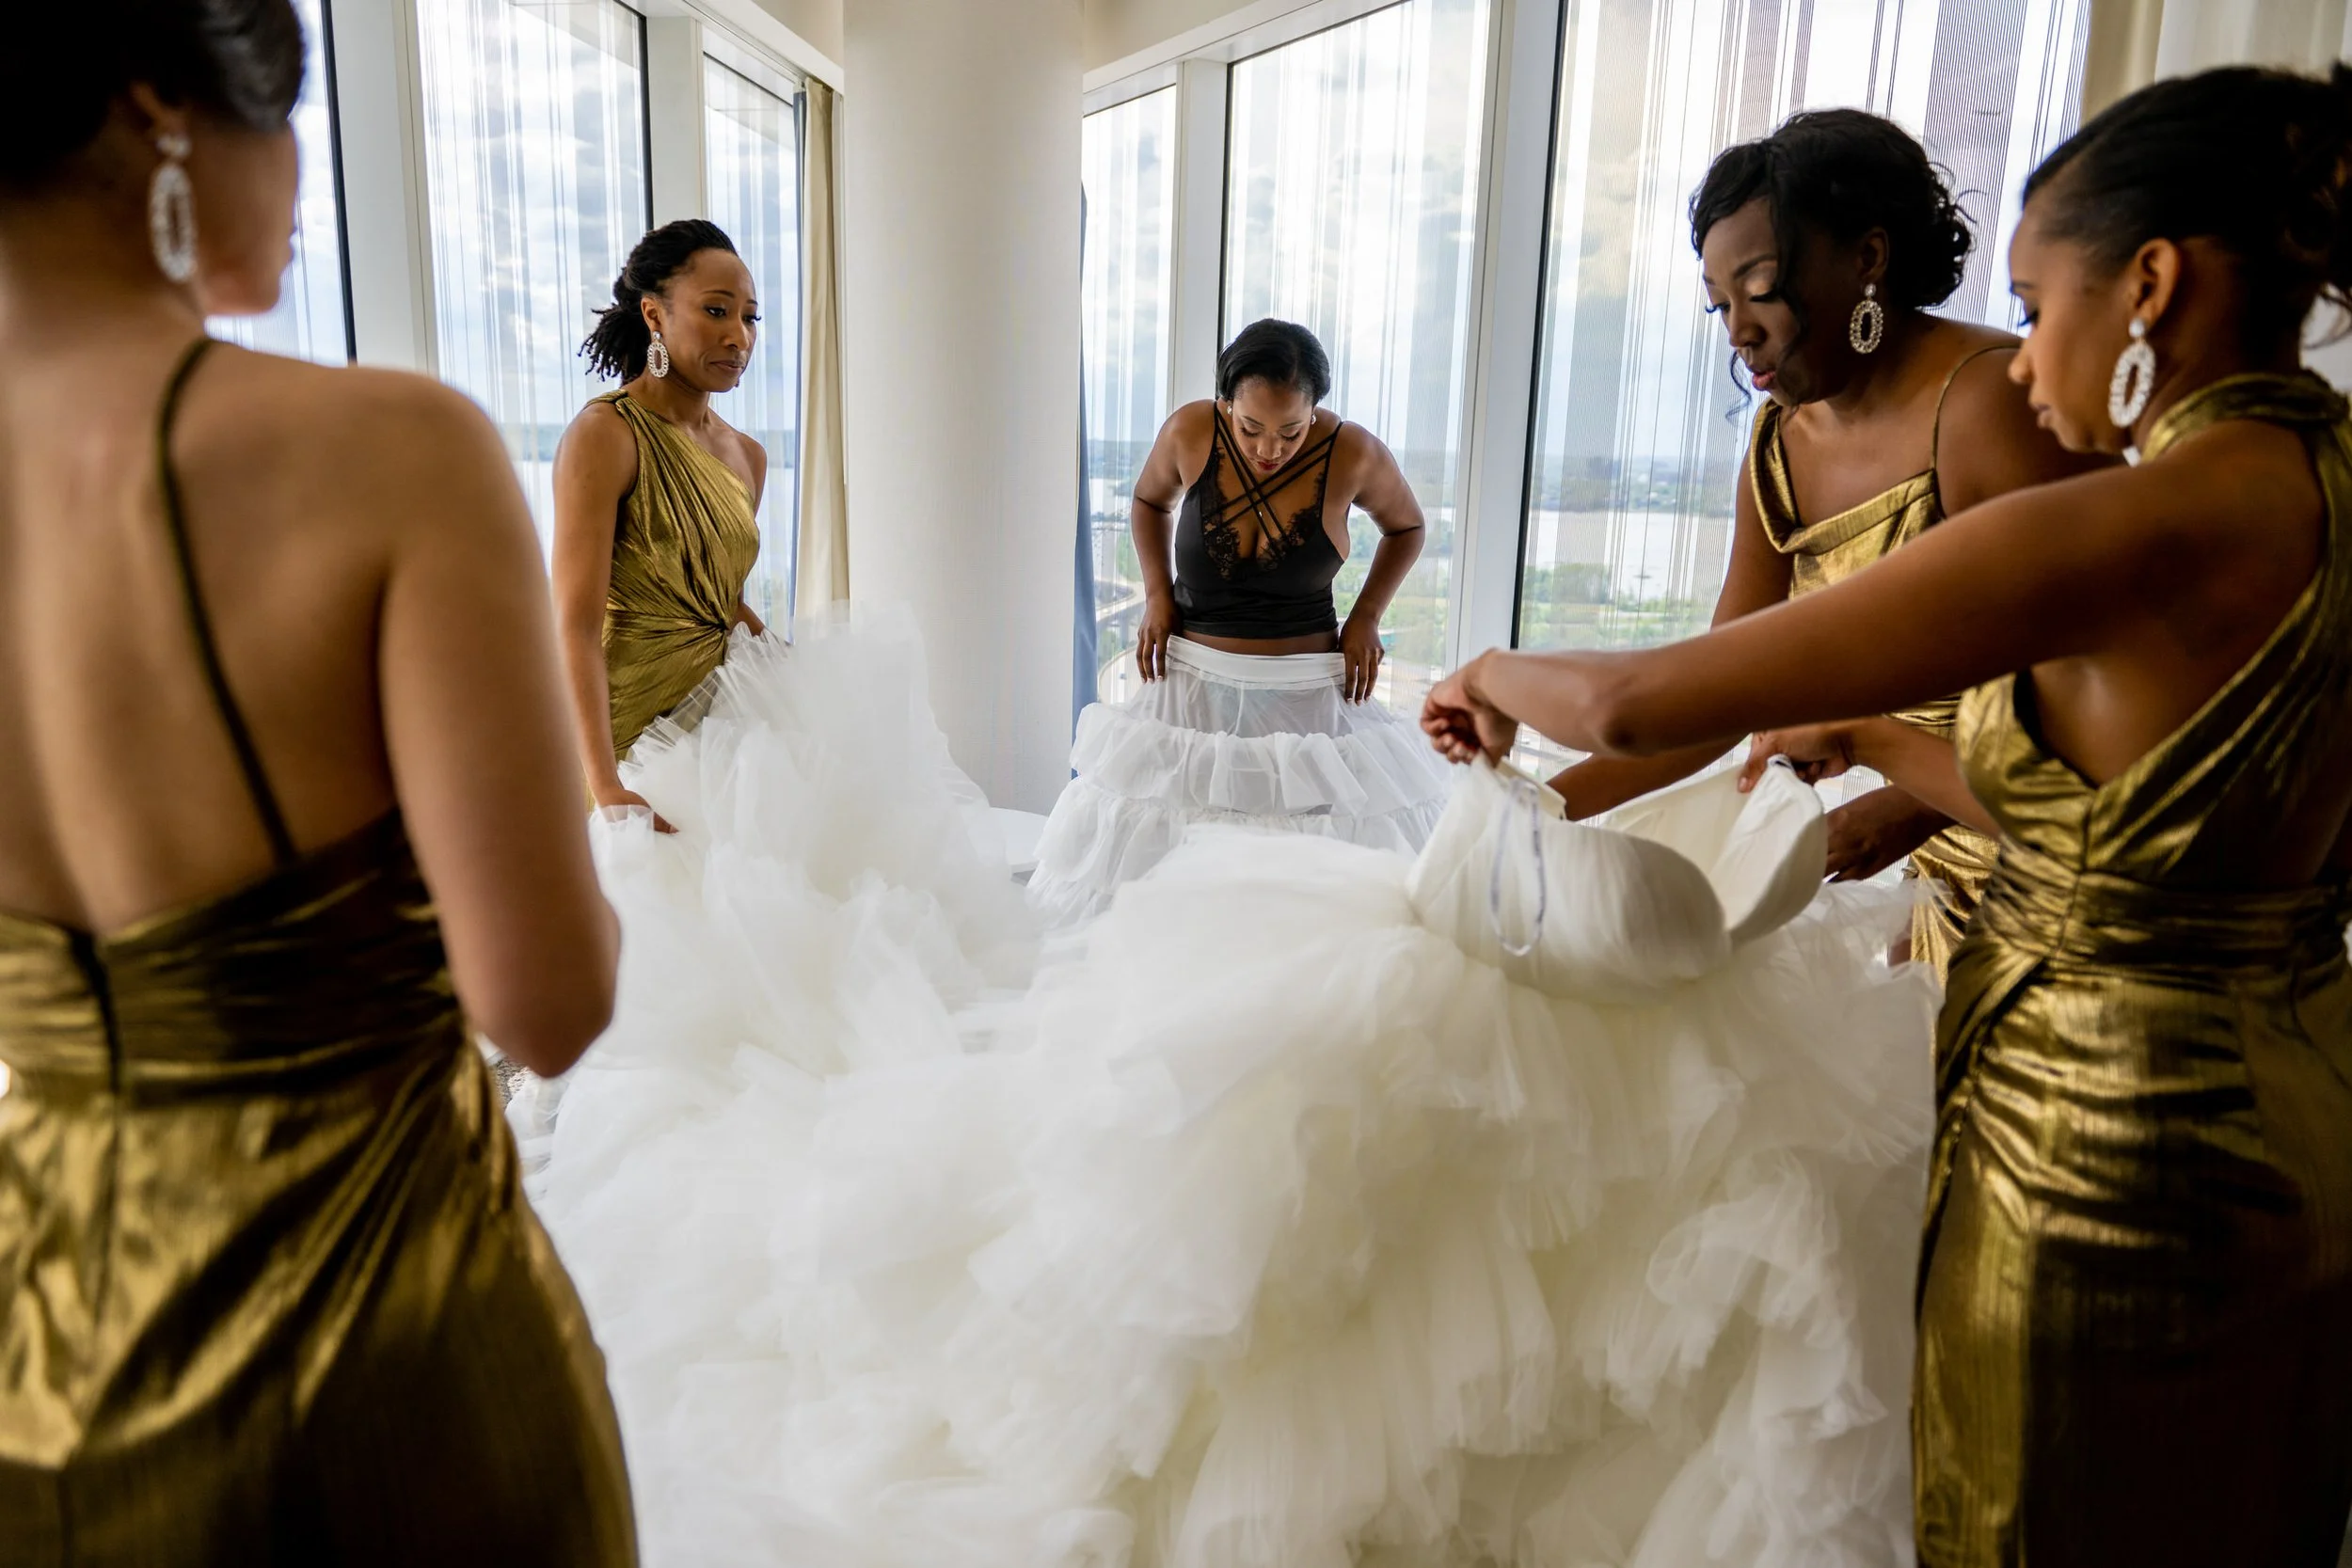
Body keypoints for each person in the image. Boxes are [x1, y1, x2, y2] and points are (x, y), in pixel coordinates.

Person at [1424, 63, 2352, 1568]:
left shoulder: (2124, 513)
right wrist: (1549, 803)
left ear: (2155, 283)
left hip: (2108, 1115)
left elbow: (1651, 698)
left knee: (2025, 1496)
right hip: (2309, 1076)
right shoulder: (2323, 480)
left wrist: (1489, 673)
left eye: (2045, 302)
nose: (2031, 352)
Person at [0, 2, 633, 1560]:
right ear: (162, 110)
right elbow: (545, 1003)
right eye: (284, 120)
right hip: (374, 1318)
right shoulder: (387, 452)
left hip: (41, 1329)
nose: (294, 175)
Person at [1548, 110, 2105, 974]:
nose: (1737, 330)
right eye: (1719, 303)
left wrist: (1913, 807)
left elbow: (2089, 703)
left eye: (1761, 288)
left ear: (1868, 259)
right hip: (1897, 862)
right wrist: (1537, 812)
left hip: (2046, 865)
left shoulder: (1991, 406)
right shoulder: (1778, 448)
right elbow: (1719, 692)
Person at [1025, 319, 1454, 926]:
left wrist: (1367, 616)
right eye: (1250, 428)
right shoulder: (1191, 430)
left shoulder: (1352, 452)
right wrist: (1156, 595)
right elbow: (1150, 501)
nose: (1269, 449)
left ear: (1316, 412)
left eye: (1291, 431)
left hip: (1307, 695)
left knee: (1306, 880)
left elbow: (1407, 527)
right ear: (1225, 404)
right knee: (1163, 867)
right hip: (1190, 688)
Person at [554, 217, 770, 824]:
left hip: (718, 727)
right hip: (624, 739)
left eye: (749, 317)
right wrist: (605, 786)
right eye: (717, 311)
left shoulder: (747, 455)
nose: (739, 337)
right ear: (654, 316)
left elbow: (719, 601)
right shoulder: (605, 435)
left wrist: (791, 675)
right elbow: (574, 626)